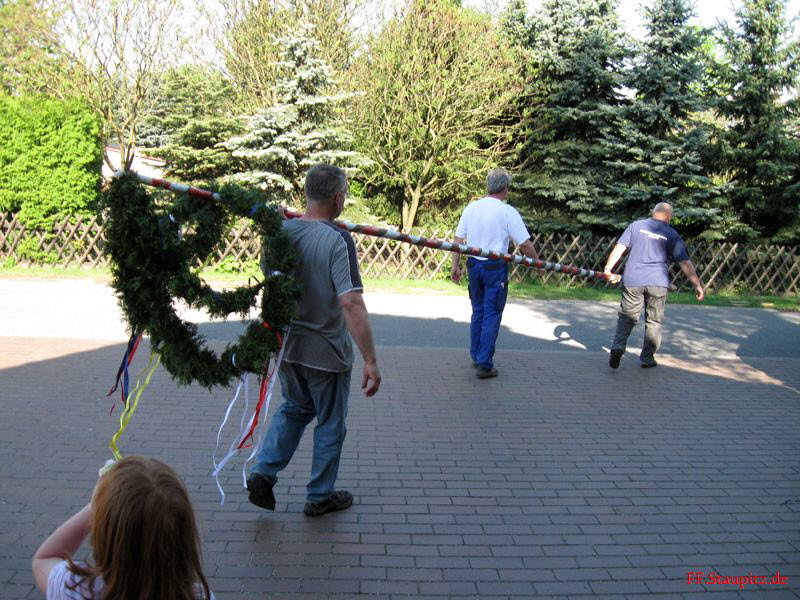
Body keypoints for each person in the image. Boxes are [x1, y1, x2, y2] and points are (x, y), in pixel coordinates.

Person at [247, 164, 381, 517]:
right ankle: (320, 495)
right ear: (337, 198)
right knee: (330, 421)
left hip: (288, 346)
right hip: (327, 352)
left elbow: (270, 276)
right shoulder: (337, 240)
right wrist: (370, 359)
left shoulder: (281, 232)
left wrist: (274, 226)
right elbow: (351, 303)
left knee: (295, 407)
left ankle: (263, 471)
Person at [32, 456, 213, 599]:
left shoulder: (74, 588)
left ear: (107, 535)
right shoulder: (197, 596)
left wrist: (95, 505)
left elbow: (45, 558)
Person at [450, 168, 537, 379]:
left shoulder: (472, 208)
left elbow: (458, 241)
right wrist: (537, 262)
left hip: (474, 265)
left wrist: (455, 265)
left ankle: (476, 354)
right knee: (492, 313)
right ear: (505, 188)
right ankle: (484, 363)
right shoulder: (507, 212)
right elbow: (524, 244)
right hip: (494, 268)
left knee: (478, 311)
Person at [604, 202, 705, 369]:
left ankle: (618, 347)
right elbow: (684, 262)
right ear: (669, 216)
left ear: (654, 212)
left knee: (627, 316)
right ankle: (647, 358)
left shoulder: (636, 226)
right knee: (654, 321)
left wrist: (608, 268)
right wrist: (697, 284)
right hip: (658, 282)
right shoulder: (671, 234)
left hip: (633, 280)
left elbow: (620, 247)